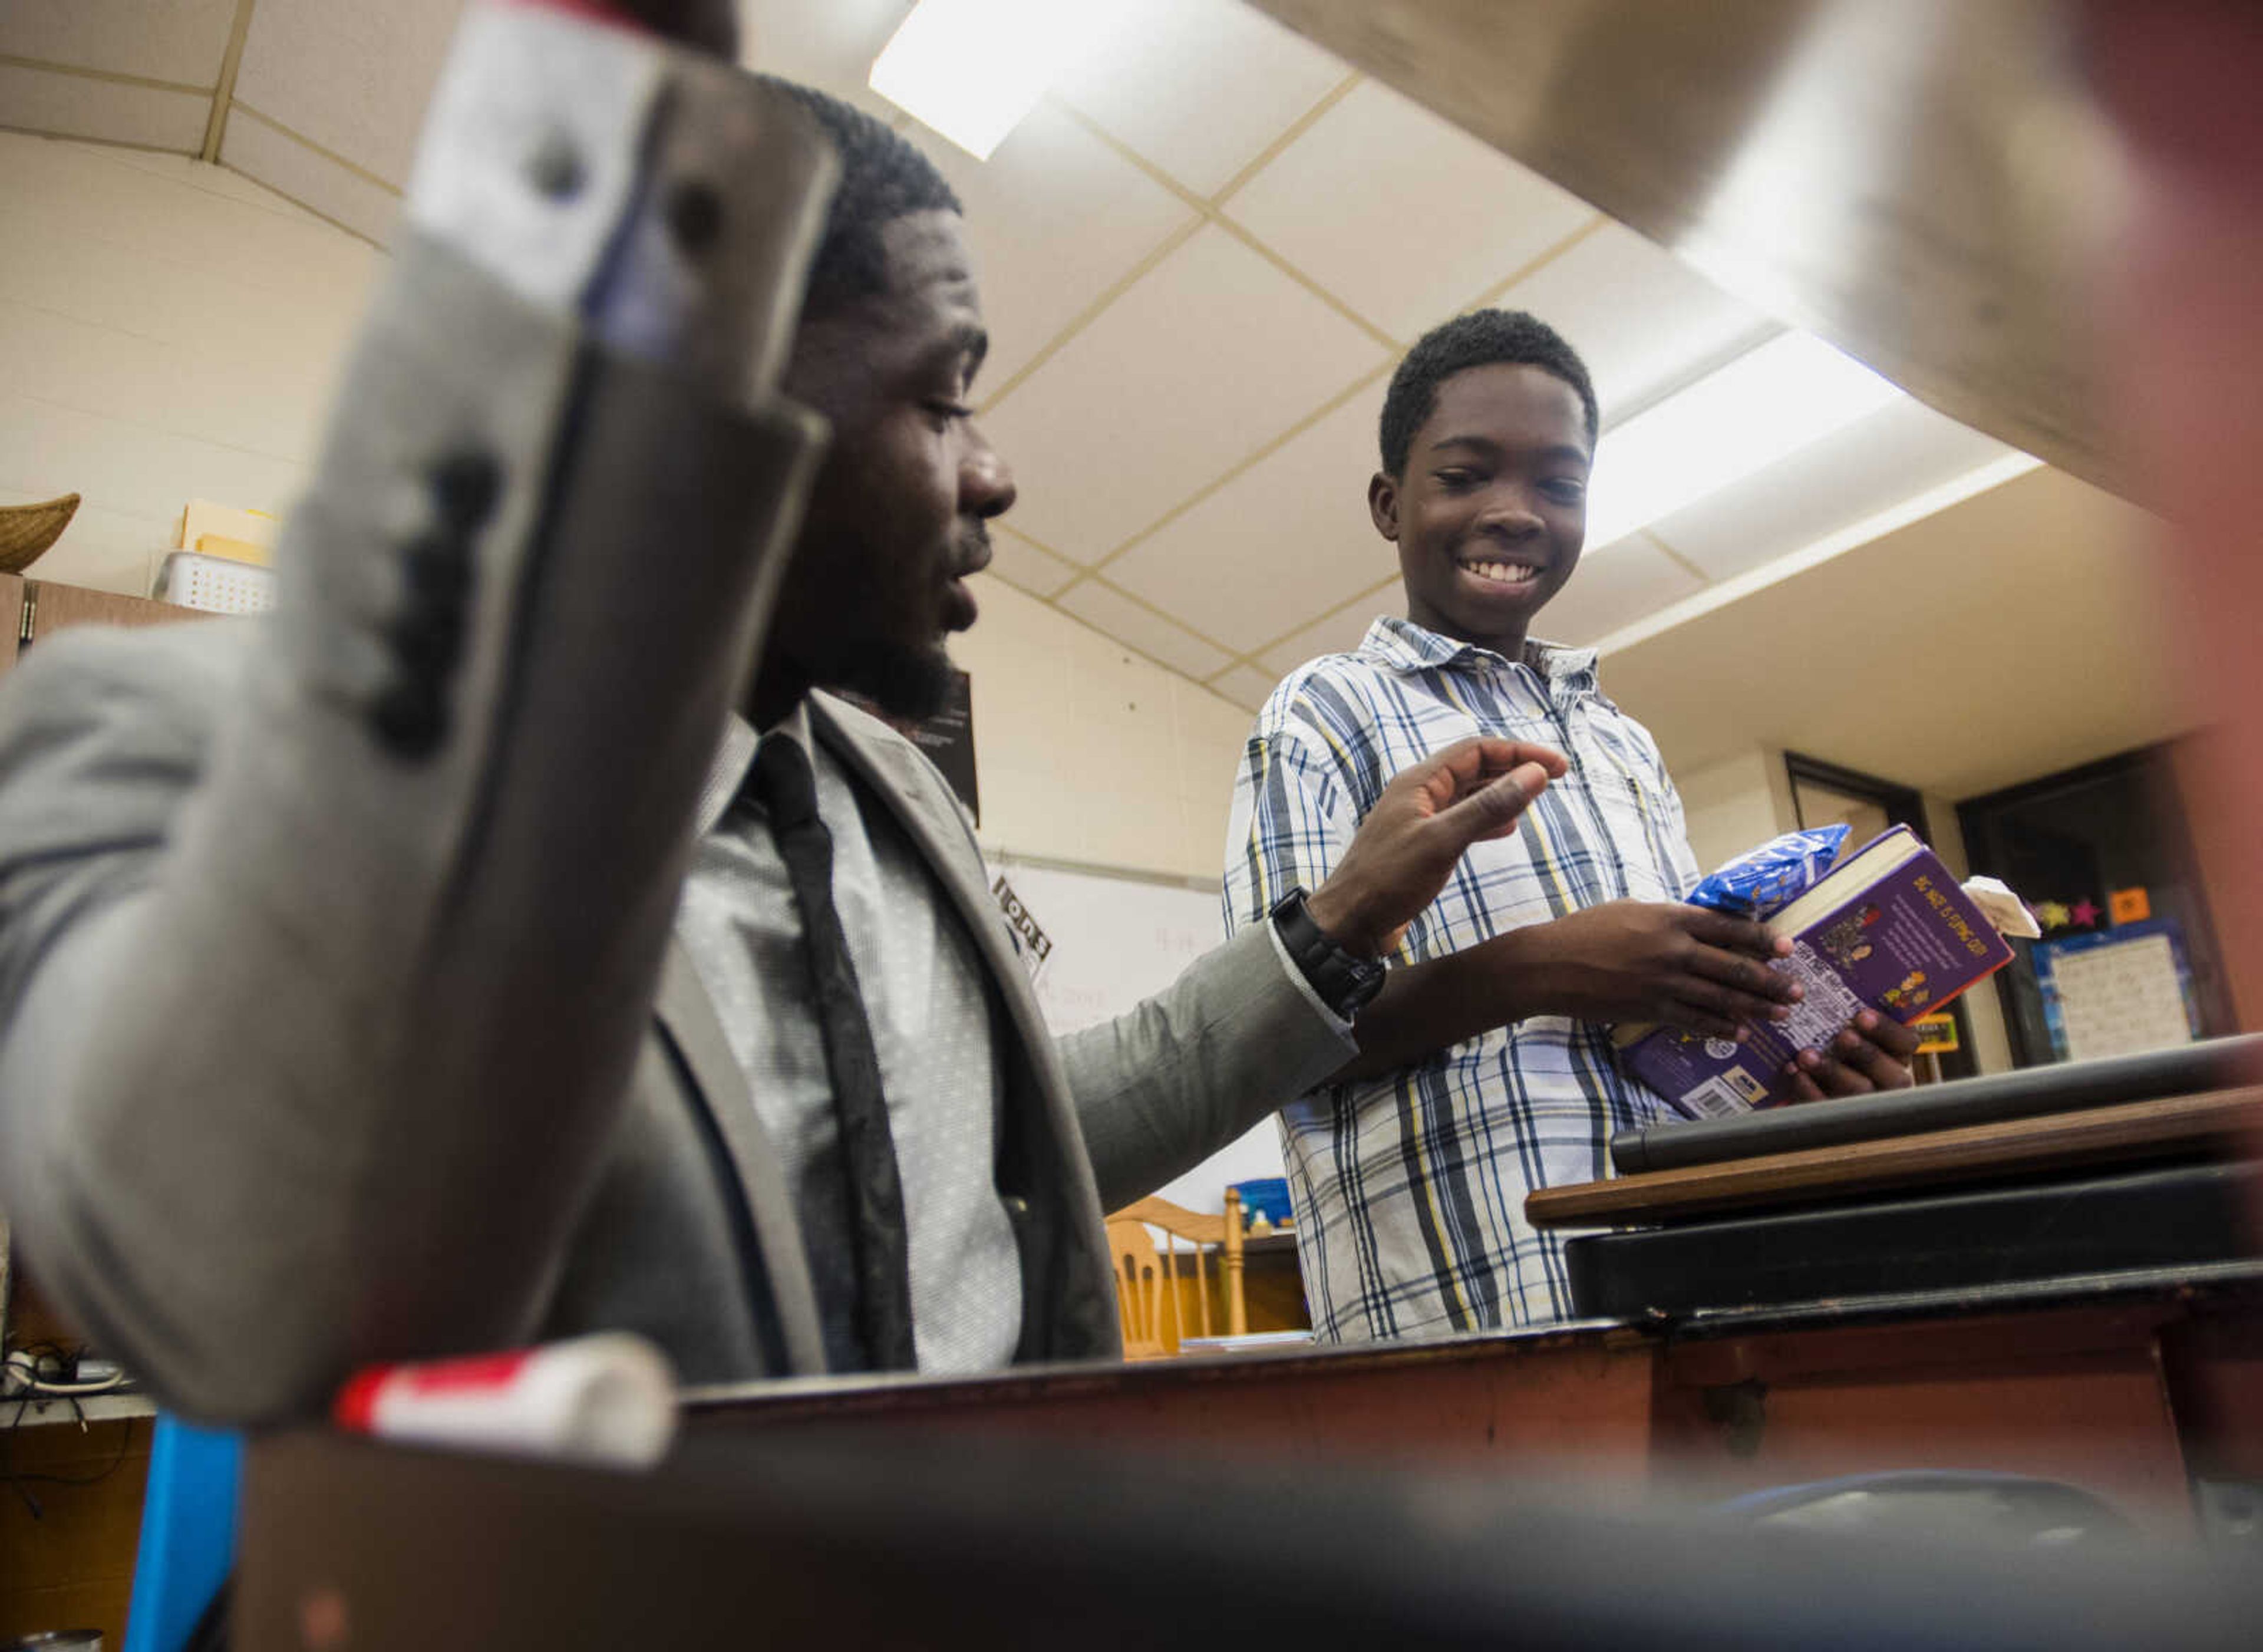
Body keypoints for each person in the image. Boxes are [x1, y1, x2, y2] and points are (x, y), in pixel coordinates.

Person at [0, 2, 1560, 1421]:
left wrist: (1345, 912)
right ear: (708, 387)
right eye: (945, 394)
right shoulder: (146, 740)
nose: (997, 470)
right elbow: (239, 1274)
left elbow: (1007, 1143)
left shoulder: (886, 784)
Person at [1225, 310, 1919, 1343]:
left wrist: (1799, 1063)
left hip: (1687, 1298)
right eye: (1465, 476)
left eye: (1558, 484)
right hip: (1465, 1334)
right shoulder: (1324, 710)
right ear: (1388, 504)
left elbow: (1682, 1052)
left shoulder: (1624, 743)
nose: (1515, 513)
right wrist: (1541, 969)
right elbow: (1258, 1041)